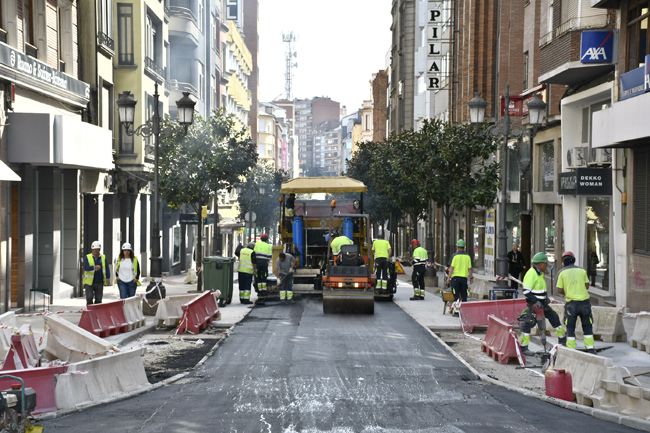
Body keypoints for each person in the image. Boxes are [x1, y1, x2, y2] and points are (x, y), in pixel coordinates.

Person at [519, 252, 566, 355]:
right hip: (534, 304)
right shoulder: (531, 274)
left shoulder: (540, 273)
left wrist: (546, 299)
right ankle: (524, 347)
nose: (547, 266)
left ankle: (562, 340)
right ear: (540, 264)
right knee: (527, 323)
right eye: (545, 264)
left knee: (554, 317)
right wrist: (535, 301)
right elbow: (526, 291)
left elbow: (540, 289)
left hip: (543, 303)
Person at [556, 251, 595, 353]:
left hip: (571, 304)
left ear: (563, 261)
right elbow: (587, 286)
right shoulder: (582, 271)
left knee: (570, 327)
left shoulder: (562, 273)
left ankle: (571, 349)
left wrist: (568, 292)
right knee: (587, 326)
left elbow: (559, 290)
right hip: (585, 303)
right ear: (574, 260)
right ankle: (590, 348)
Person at [82, 241, 111, 305]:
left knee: (98, 299)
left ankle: (97, 311)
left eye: (97, 250)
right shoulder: (87, 257)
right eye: (94, 250)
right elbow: (85, 267)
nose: (96, 251)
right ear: (92, 250)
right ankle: (90, 310)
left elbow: (106, 268)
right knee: (89, 298)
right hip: (89, 282)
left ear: (99, 250)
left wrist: (108, 278)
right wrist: (94, 268)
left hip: (99, 281)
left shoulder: (103, 257)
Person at [254, 233, 273, 300]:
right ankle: (264, 291)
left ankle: (259, 291)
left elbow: (254, 253)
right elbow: (269, 256)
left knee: (258, 276)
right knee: (264, 276)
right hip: (264, 263)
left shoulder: (257, 244)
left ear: (261, 238)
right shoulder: (268, 246)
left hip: (257, 263)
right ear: (267, 239)